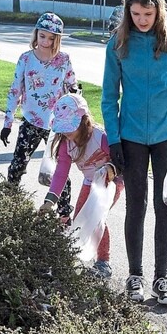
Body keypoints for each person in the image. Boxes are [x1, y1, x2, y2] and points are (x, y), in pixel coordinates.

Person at [101, 0, 167, 305]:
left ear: (159, 10)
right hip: (130, 137)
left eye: (148, 14)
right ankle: (135, 276)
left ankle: (161, 279)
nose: (142, 20)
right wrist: (114, 140)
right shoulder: (118, 44)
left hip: (166, 137)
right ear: (127, 12)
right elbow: (108, 98)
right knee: (136, 205)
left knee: (165, 207)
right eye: (135, 14)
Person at [1, 12, 77, 224]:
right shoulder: (26, 59)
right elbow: (15, 90)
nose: (46, 42)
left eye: (52, 38)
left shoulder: (64, 60)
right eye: (43, 36)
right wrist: (7, 123)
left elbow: (73, 89)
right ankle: (9, 206)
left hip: (57, 127)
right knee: (17, 165)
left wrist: (76, 119)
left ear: (57, 39)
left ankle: (63, 215)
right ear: (36, 34)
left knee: (60, 170)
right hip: (31, 122)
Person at [39, 94, 125, 278]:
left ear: (84, 121)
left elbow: (121, 161)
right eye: (62, 129)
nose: (66, 133)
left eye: (70, 127)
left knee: (96, 216)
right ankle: (72, 258)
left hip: (111, 181)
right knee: (79, 217)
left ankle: (103, 262)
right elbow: (61, 172)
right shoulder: (65, 143)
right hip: (90, 181)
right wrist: (50, 200)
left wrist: (112, 170)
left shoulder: (100, 137)